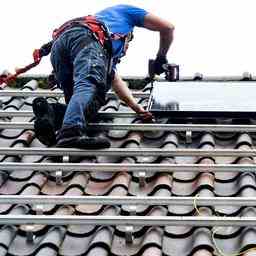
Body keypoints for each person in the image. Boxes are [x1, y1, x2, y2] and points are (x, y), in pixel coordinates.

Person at [32, 4, 175, 149]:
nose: (126, 49)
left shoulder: (105, 47)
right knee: (90, 85)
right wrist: (161, 57)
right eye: (128, 43)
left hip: (60, 45)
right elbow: (168, 27)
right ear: (127, 37)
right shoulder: (124, 13)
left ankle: (50, 113)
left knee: (84, 108)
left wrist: (137, 108)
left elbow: (115, 81)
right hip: (86, 39)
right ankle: (70, 134)